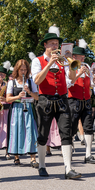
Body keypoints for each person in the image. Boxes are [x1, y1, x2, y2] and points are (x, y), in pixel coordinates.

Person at [31, 24, 81, 179]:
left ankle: (68, 169)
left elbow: (72, 79)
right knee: (43, 134)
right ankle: (42, 165)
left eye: (56, 43)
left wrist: (71, 64)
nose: (55, 46)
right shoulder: (37, 61)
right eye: (51, 43)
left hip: (62, 100)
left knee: (66, 134)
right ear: (45, 45)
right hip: (45, 100)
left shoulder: (63, 61)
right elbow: (37, 80)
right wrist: (50, 63)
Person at [66, 39, 95, 164]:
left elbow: (91, 84)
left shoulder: (87, 66)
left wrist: (90, 86)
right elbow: (68, 84)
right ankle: (70, 148)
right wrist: (78, 74)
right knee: (72, 126)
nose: (83, 58)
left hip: (86, 101)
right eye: (80, 56)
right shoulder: (69, 67)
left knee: (88, 127)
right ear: (74, 57)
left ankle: (88, 154)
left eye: (83, 56)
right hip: (73, 100)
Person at [6, 59, 39, 167]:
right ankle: (16, 157)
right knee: (16, 131)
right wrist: (18, 96)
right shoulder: (12, 82)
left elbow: (37, 97)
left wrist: (29, 92)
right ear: (17, 70)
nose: (23, 72)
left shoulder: (31, 82)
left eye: (25, 69)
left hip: (28, 108)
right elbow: (8, 99)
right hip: (16, 109)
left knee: (31, 131)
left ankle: (33, 158)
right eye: (21, 69)